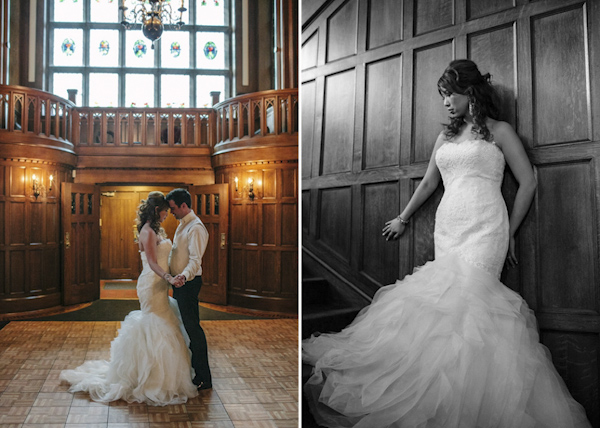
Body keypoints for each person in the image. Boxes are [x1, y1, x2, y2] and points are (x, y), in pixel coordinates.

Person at [302, 60, 591, 427]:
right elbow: (428, 183)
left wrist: (512, 232)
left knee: (474, 306)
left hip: (487, 226)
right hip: (449, 225)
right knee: (444, 306)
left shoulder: (499, 131)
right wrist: (403, 218)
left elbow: (528, 182)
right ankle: (436, 398)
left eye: (448, 95)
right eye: (441, 97)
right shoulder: (445, 137)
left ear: (469, 93)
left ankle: (470, 405)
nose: (444, 103)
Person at [60, 191, 198, 405]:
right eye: (165, 211)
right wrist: (169, 277)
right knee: (154, 324)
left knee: (164, 322)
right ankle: (149, 378)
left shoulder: (156, 229)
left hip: (160, 282)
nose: (168, 214)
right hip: (152, 283)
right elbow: (152, 263)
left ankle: (162, 374)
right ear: (156, 210)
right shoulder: (147, 232)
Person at [166, 188, 212, 391]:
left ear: (184, 206)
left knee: (194, 328)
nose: (171, 212)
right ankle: (194, 370)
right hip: (179, 283)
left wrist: (183, 276)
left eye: (174, 208)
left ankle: (204, 377)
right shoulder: (182, 225)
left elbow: (195, 260)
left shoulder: (196, 227)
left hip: (188, 283)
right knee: (187, 327)